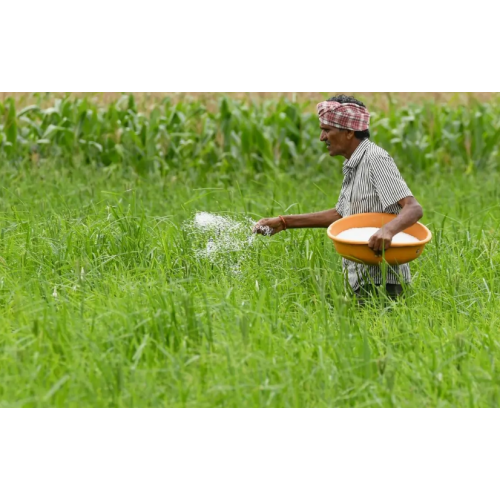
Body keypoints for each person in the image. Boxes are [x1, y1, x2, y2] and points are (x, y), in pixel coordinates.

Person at [253, 95, 424, 299]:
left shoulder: (375, 159)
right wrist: (284, 222)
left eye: (327, 130)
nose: (322, 137)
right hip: (361, 279)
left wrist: (388, 230)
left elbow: (413, 208)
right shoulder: (353, 164)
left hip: (384, 282)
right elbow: (341, 216)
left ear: (350, 132)